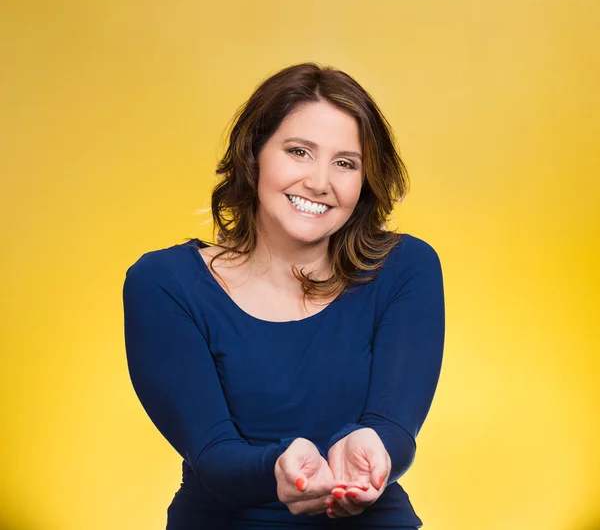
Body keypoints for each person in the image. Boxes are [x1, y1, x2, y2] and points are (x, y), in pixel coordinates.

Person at [122, 62, 445, 529]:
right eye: (299, 151)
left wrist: (376, 449)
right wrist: (277, 468)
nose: (319, 182)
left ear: (365, 179)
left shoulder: (405, 269)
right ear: (253, 155)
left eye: (345, 163)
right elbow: (214, 458)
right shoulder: (165, 283)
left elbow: (395, 429)